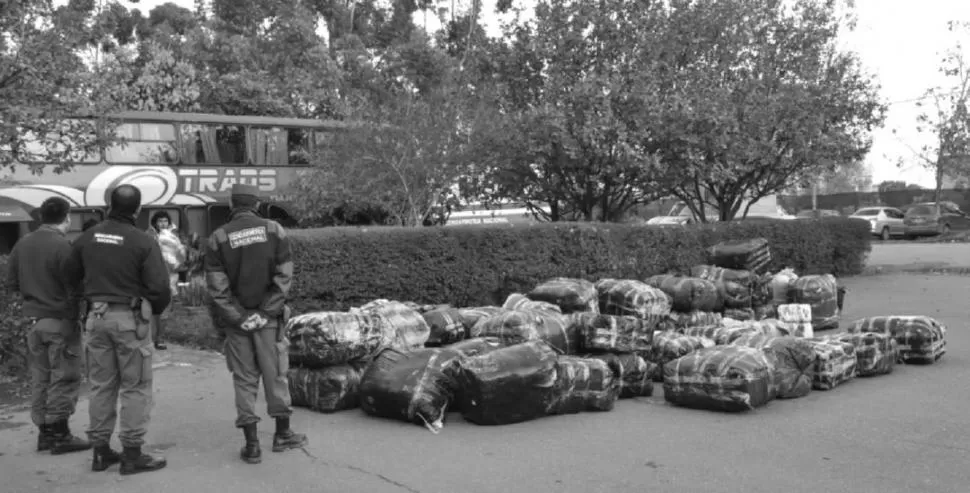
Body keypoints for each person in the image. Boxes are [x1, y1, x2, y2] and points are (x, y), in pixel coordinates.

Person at [63, 184, 171, 475]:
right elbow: (159, 287)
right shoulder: (142, 241)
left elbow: (68, 276)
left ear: (109, 204)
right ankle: (132, 454)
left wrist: (88, 300)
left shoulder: (86, 238)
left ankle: (100, 452)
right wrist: (154, 311)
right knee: (135, 386)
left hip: (95, 320)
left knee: (100, 386)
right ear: (137, 209)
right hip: (130, 320)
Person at [204, 183, 306, 464]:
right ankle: (282, 436)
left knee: (244, 380)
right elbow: (283, 277)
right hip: (269, 322)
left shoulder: (218, 237)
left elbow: (217, 288)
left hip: (238, 326)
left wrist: (239, 317)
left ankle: (251, 446)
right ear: (257, 205)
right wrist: (264, 313)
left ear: (232, 206)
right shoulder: (275, 230)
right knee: (276, 376)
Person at [7, 197, 90, 455]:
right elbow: (76, 288)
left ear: (41, 217)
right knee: (65, 376)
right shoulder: (64, 246)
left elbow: (11, 283)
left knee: (41, 378)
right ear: (66, 218)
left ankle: (44, 432)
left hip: (34, 322)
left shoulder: (22, 244)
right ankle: (59, 433)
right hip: (61, 320)